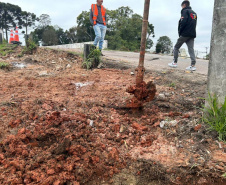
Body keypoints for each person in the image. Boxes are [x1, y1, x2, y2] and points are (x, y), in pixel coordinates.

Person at [168, 0, 197, 71]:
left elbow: (183, 22)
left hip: (185, 33)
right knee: (191, 49)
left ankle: (174, 63)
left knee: (176, 47)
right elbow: (194, 24)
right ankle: (192, 65)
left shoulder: (185, 11)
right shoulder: (194, 13)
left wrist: (180, 32)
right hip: (192, 33)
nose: (181, 8)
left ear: (184, 5)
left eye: (182, 6)